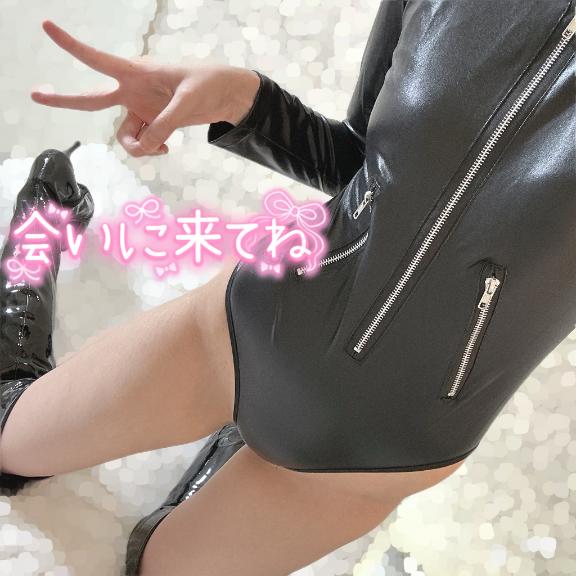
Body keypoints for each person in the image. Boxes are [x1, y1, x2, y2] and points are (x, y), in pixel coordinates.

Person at [1, 0, 574, 574]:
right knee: (8, 443)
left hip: (389, 450)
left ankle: (233, 449)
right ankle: (41, 226)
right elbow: (361, 158)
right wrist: (239, 99)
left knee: (155, 567)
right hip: (248, 327)